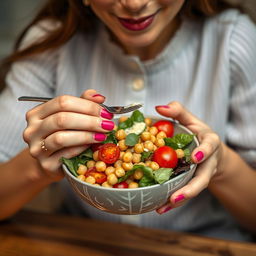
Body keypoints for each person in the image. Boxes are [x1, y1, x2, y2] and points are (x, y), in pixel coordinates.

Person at [0, 0, 256, 242]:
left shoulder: (234, 40)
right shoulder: (51, 43)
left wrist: (223, 165)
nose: (135, 4)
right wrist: (38, 166)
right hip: (85, 244)